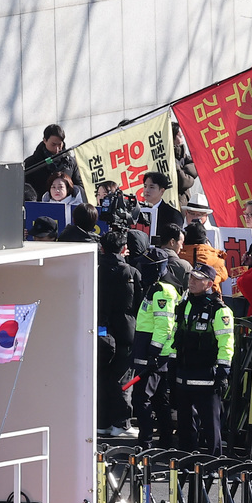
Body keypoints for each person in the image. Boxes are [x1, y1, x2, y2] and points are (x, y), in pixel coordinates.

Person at [169, 264, 234, 455]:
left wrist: (223, 371)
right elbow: (176, 336)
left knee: (211, 424)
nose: (192, 282)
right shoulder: (185, 305)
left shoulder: (219, 310)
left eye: (198, 279)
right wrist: (173, 364)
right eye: (191, 278)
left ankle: (214, 464)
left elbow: (226, 343)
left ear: (209, 284)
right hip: (184, 375)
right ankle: (186, 461)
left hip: (207, 377)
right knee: (185, 425)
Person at [132, 245, 182, 448]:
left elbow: (164, 325)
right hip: (150, 350)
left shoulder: (162, 291)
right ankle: (166, 440)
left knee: (141, 397)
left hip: (154, 352)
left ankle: (145, 442)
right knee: (160, 397)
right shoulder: (155, 288)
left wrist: (154, 351)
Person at [98, 230, 142, 437]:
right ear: (124, 249)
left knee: (100, 376)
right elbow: (139, 303)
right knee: (123, 378)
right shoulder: (131, 272)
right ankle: (121, 424)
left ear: (102, 247)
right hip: (126, 330)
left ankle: (101, 421)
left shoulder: (93, 269)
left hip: (98, 328)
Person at [24, 124, 80, 196]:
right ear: (45, 140)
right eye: (53, 144)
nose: (57, 149)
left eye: (59, 144)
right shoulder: (31, 163)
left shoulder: (70, 162)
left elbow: (80, 187)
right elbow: (25, 189)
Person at [137, 171, 182, 236]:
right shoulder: (137, 210)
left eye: (151, 187)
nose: (146, 190)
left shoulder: (172, 215)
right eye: (145, 186)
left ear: (162, 191)